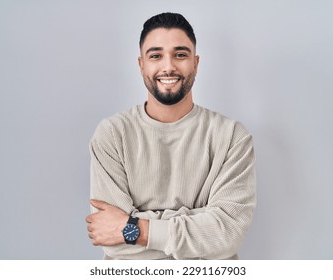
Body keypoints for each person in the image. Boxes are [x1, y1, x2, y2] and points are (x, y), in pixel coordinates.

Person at [85, 12, 256, 260]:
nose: (168, 66)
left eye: (180, 55)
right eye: (155, 56)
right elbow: (112, 243)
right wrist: (198, 228)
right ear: (141, 64)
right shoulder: (112, 134)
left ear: (195, 63)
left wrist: (134, 228)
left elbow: (226, 235)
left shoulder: (231, 137)